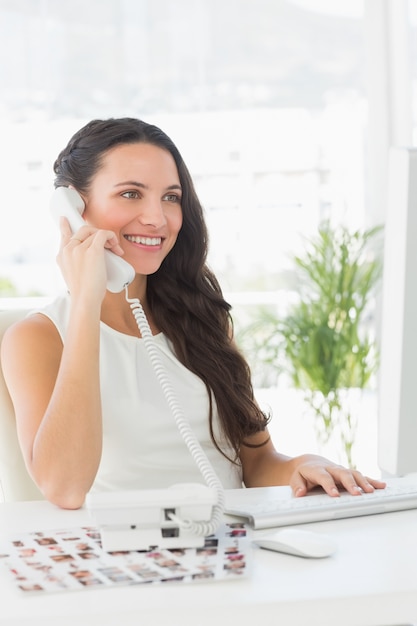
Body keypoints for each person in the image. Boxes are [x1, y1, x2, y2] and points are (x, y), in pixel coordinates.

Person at [1, 117, 385, 510]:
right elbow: (65, 488)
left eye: (170, 197)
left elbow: (256, 462)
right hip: (123, 557)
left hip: (233, 547)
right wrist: (86, 301)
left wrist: (303, 466)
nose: (157, 218)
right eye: (131, 194)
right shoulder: (36, 338)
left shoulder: (200, 317)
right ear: (72, 208)